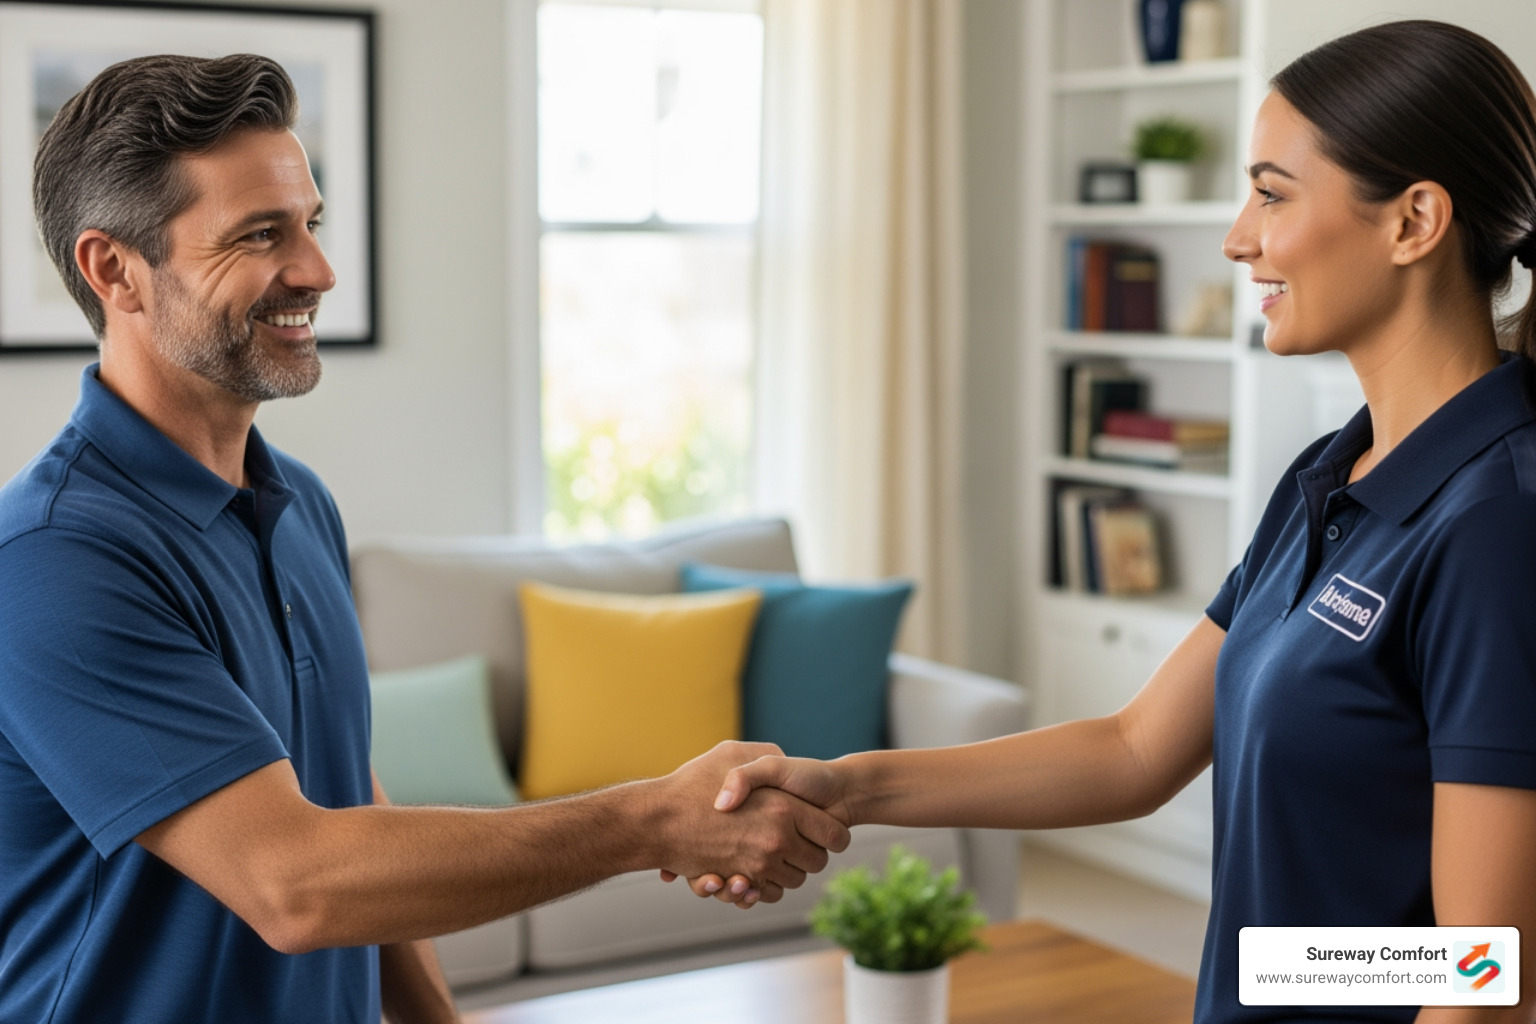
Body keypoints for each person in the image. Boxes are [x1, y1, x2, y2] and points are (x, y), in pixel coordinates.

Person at [692, 20, 1536, 1024]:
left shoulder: (1497, 525)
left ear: (1414, 221)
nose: (1238, 237)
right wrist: (842, 785)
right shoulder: (1332, 473)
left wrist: (1277, 971)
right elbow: (1135, 749)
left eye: (1271, 193)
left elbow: (1487, 975)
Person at [0, 54, 848, 1024]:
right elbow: (299, 883)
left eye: (311, 224)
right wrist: (655, 818)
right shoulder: (50, 561)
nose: (316, 270)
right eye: (260, 235)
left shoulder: (298, 504)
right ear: (115, 271)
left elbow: (349, 806)